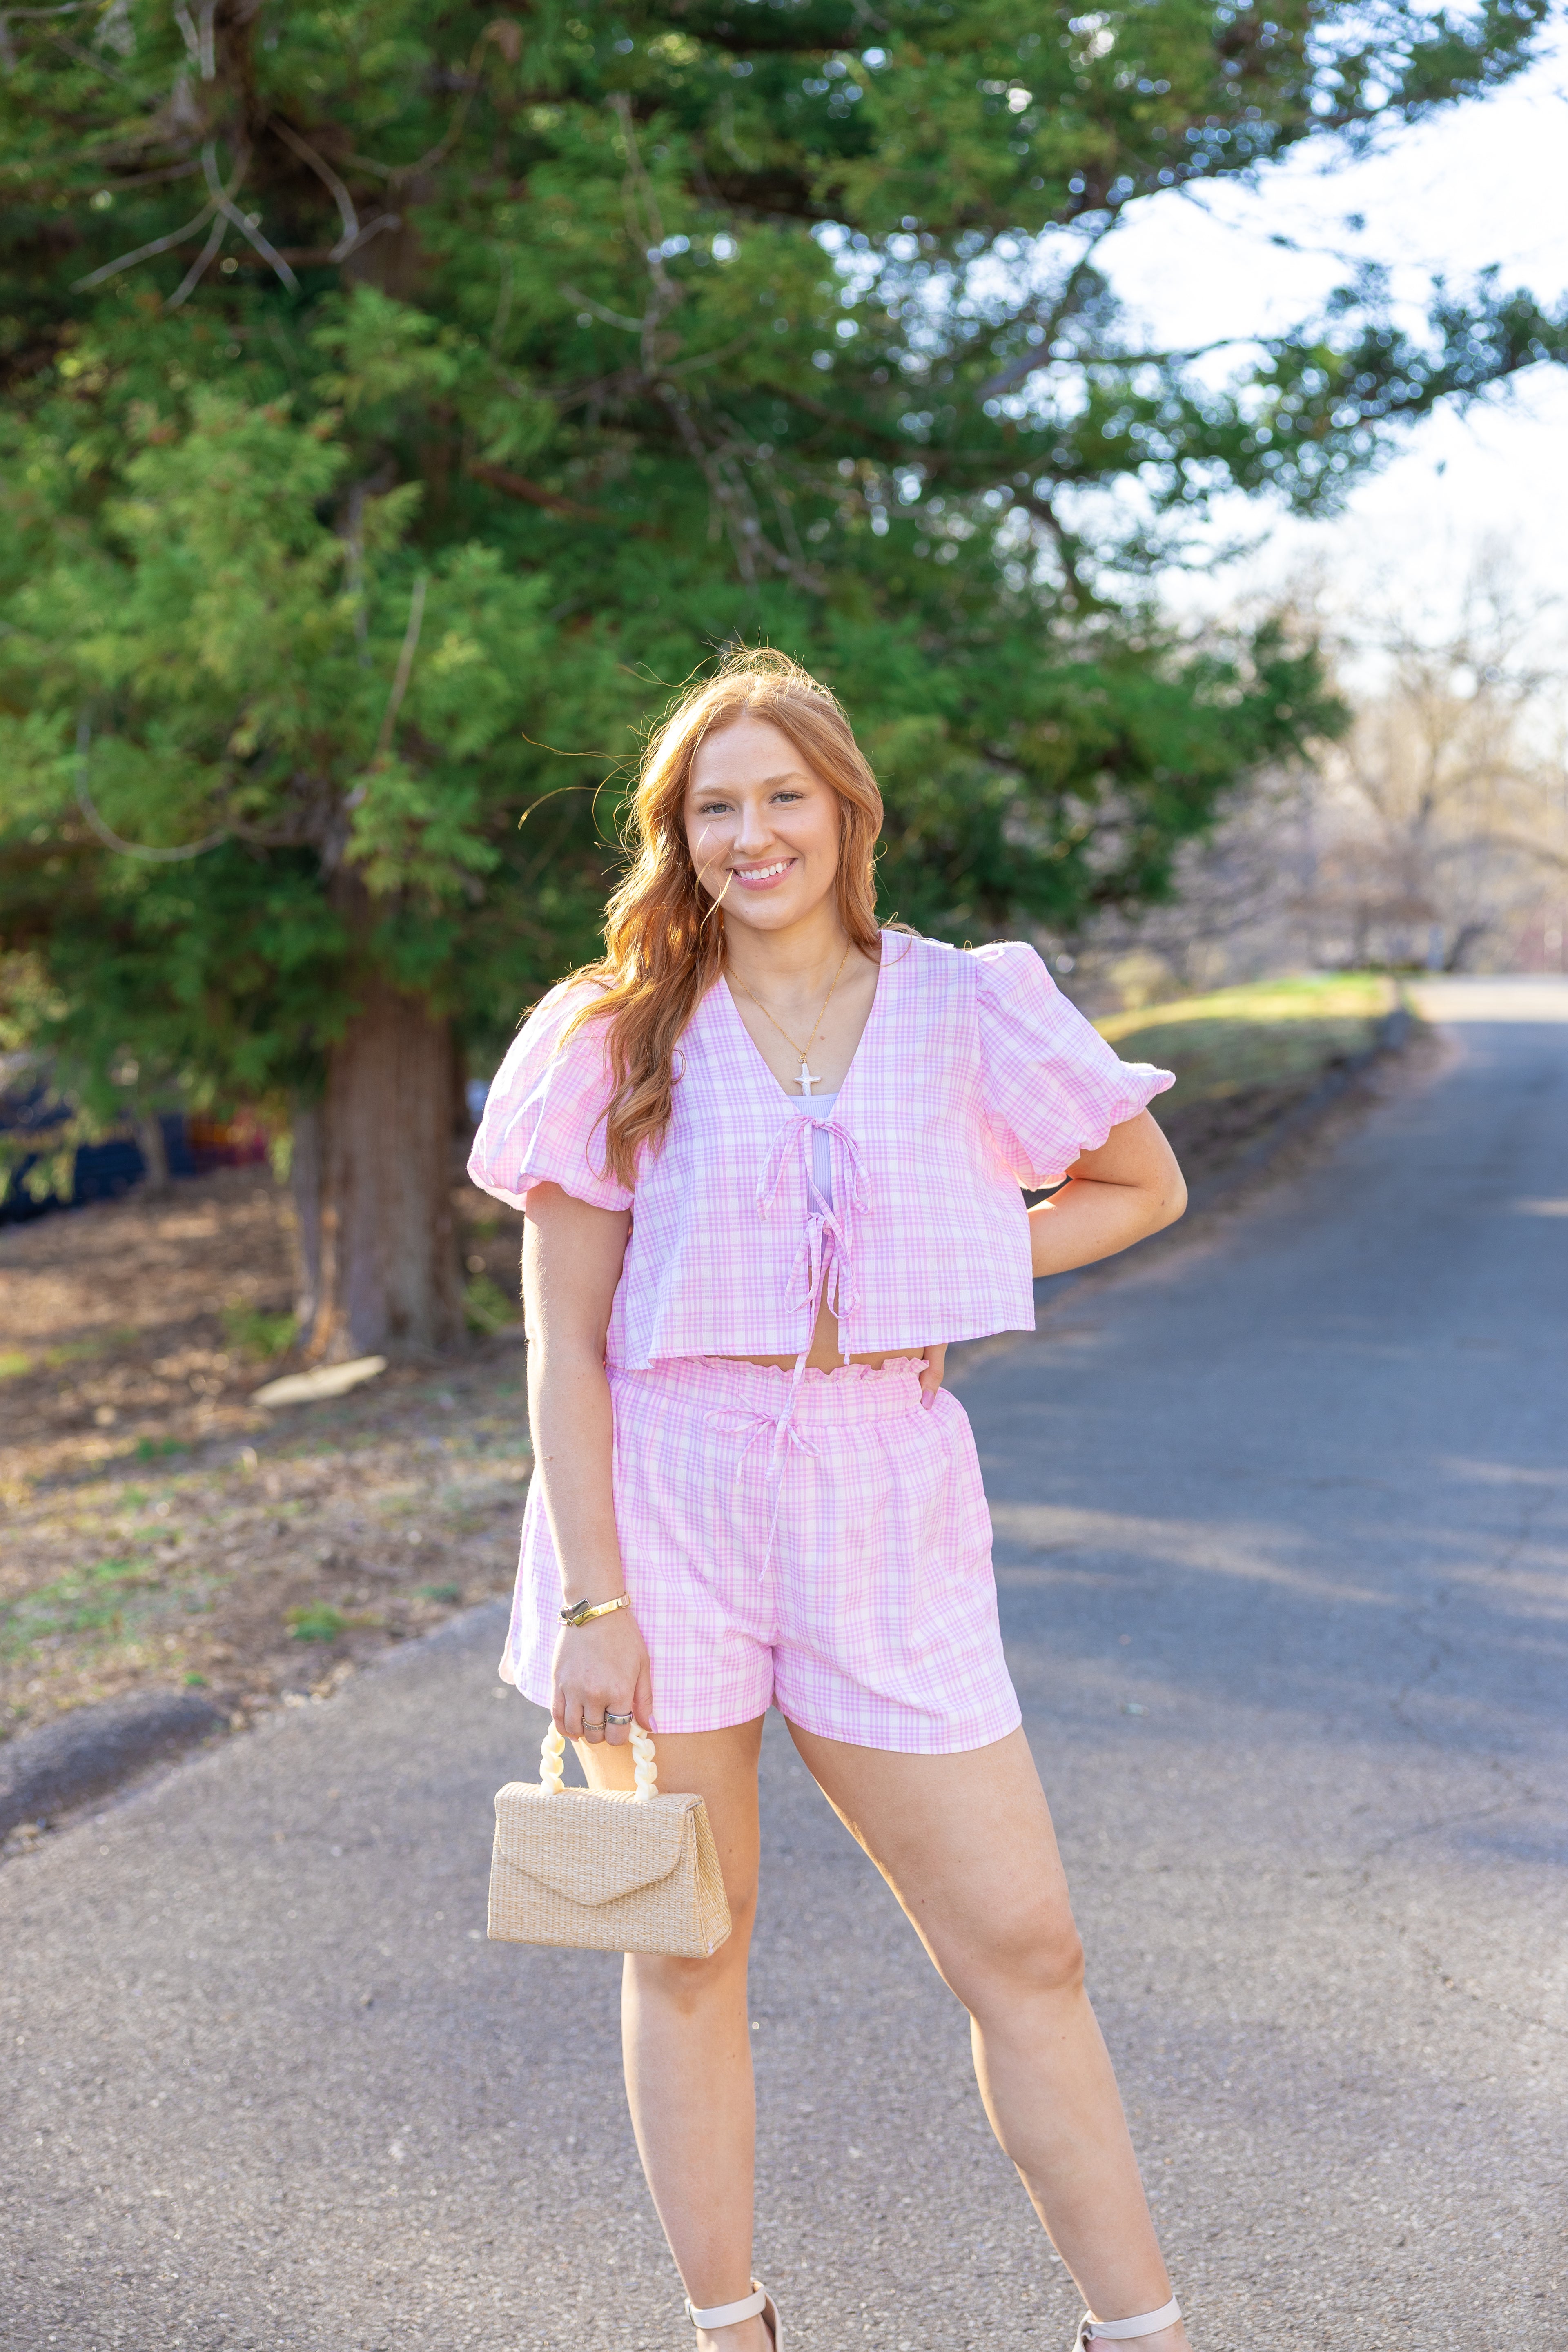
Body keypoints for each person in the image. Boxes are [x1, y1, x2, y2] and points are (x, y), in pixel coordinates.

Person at [470, 650, 1191, 2352]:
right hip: (662, 1506)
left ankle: (1143, 2332)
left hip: (887, 1496)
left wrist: (941, 1259)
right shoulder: (610, 1033)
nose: (752, 835)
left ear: (847, 810)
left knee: (1027, 1947)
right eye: (712, 808)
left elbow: (1139, 1185)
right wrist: (592, 1607)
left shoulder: (969, 1003)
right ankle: (730, 2327)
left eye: (782, 795)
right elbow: (564, 1344)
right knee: (687, 1944)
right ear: (678, 838)